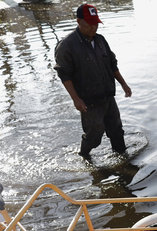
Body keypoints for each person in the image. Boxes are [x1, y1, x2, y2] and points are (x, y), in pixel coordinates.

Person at [54, 4, 132, 158]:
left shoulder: (101, 40)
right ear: (78, 21)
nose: (93, 27)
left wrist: (123, 84)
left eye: (95, 23)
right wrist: (76, 99)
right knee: (94, 135)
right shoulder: (67, 45)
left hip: (108, 96)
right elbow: (64, 74)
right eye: (89, 24)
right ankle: (84, 156)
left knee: (117, 130)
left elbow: (112, 64)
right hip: (89, 101)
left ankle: (123, 159)